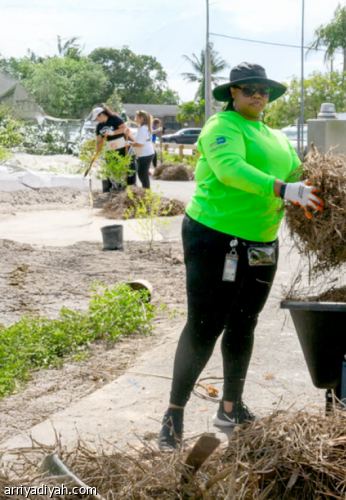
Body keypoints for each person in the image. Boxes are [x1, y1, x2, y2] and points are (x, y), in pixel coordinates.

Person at [158, 62, 323, 450]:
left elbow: (298, 173)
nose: (258, 96)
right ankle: (173, 414)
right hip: (215, 237)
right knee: (204, 326)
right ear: (232, 92)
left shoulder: (276, 136)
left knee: (244, 324)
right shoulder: (221, 127)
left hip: (262, 243)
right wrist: (283, 189)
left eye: (263, 90)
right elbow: (230, 169)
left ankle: (230, 407)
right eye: (249, 89)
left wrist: (314, 187)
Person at [91, 105, 134, 190]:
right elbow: (99, 140)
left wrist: (112, 132)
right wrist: (97, 152)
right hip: (111, 147)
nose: (96, 120)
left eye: (97, 118)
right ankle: (114, 186)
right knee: (111, 166)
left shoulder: (114, 118)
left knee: (127, 165)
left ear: (101, 115)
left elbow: (124, 129)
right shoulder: (99, 126)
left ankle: (130, 186)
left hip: (123, 145)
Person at [129, 110, 155, 188]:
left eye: (137, 117)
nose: (135, 119)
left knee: (142, 174)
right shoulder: (145, 127)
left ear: (141, 118)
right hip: (146, 153)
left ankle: (146, 190)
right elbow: (138, 140)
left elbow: (140, 144)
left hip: (145, 154)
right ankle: (146, 190)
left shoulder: (143, 128)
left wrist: (129, 143)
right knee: (142, 174)